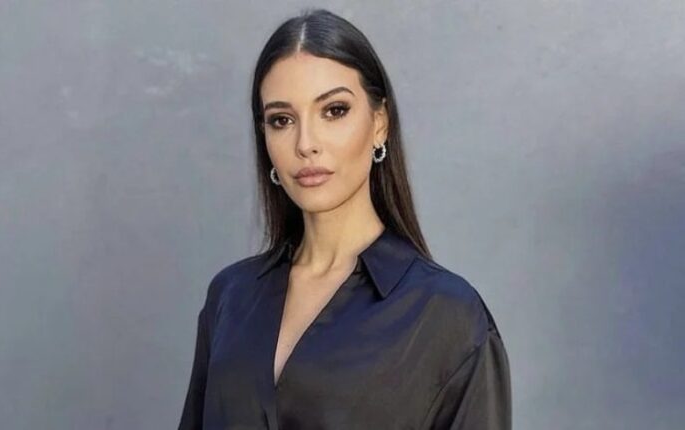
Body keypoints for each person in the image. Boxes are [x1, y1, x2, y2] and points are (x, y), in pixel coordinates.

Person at [178, 8, 511, 430]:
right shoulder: (230, 296)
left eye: (333, 111)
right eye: (282, 120)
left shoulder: (448, 316)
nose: (306, 144)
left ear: (379, 124)